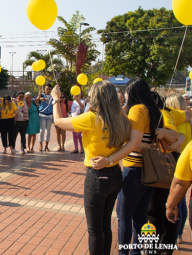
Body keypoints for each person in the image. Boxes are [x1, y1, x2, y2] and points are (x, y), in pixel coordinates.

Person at [91, 78, 178, 255]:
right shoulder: (152, 109)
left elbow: (135, 142)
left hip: (135, 169)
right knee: (139, 216)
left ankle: (124, 252)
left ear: (132, 93)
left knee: (124, 216)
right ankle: (135, 252)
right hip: (150, 172)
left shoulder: (137, 110)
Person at [52, 81, 131, 255]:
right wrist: (111, 159)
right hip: (115, 173)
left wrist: (55, 100)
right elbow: (130, 144)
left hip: (97, 176)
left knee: (95, 229)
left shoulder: (92, 118)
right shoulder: (122, 119)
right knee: (105, 225)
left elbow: (58, 121)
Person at [165, 95, 191, 244]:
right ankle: (179, 233)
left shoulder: (181, 123)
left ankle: (176, 234)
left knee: (177, 200)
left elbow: (180, 138)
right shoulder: (187, 120)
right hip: (182, 163)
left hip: (179, 163)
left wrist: (173, 145)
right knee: (181, 201)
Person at [38, 84, 53, 152]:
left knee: (48, 131)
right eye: (47, 89)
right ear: (44, 89)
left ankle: (46, 146)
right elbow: (36, 99)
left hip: (49, 115)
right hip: (42, 115)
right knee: (42, 131)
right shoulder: (41, 95)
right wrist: (41, 98)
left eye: (50, 89)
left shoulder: (52, 96)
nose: (48, 90)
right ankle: (40, 144)